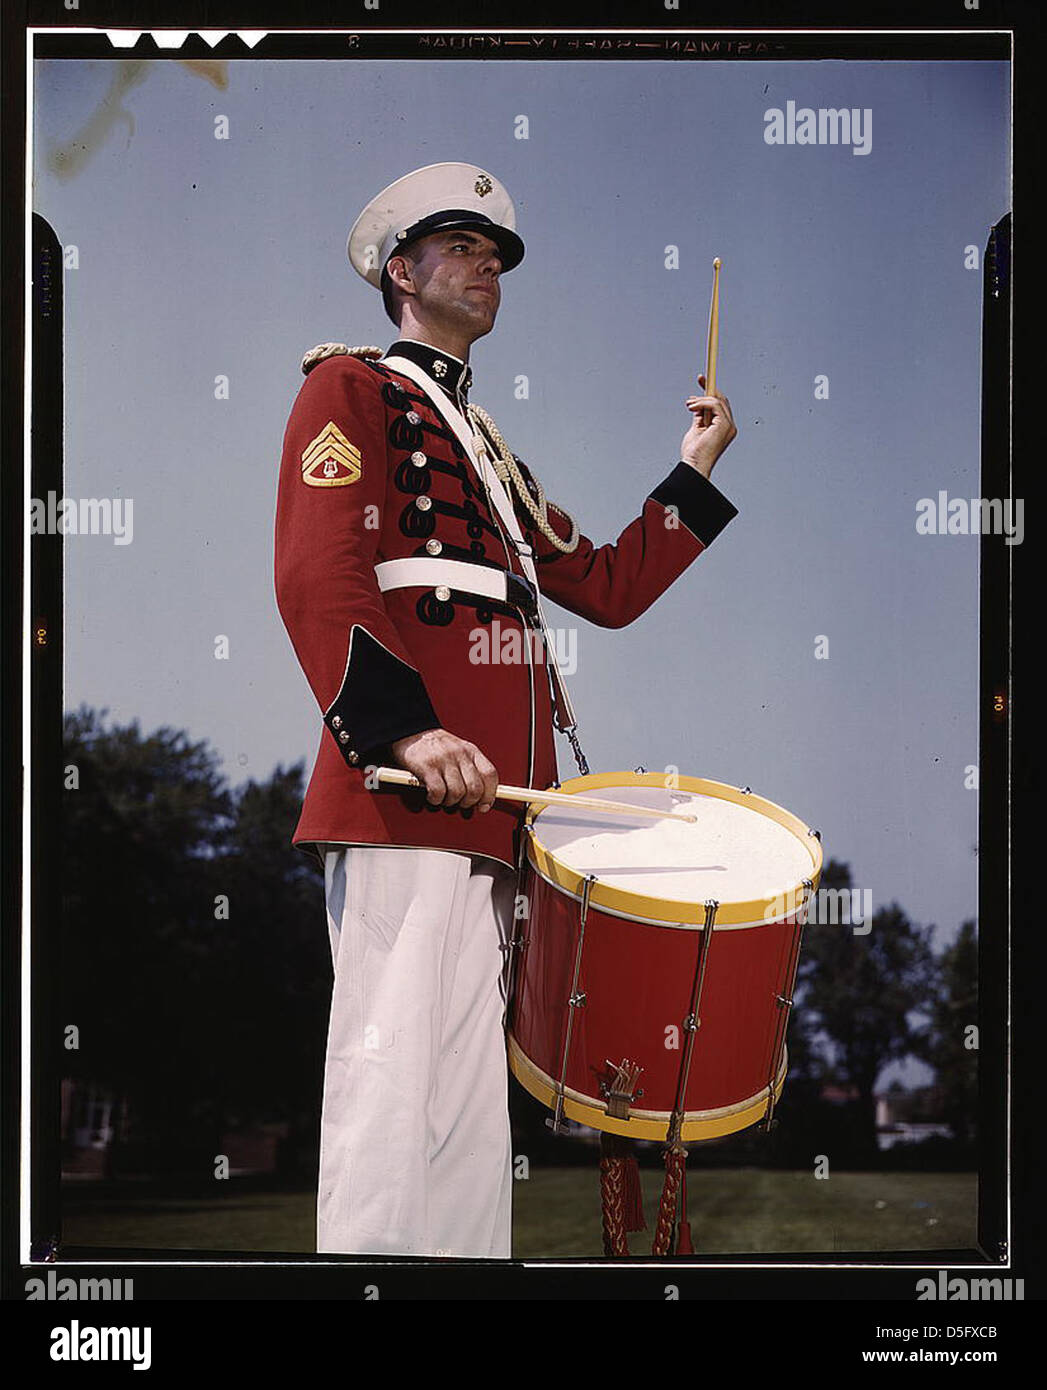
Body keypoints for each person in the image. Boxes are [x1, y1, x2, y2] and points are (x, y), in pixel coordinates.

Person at [274, 162, 738, 1258]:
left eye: (499, 254)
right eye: (463, 245)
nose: (489, 265)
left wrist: (696, 469)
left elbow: (611, 587)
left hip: (501, 809)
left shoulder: (493, 458)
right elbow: (317, 570)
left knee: (472, 1116)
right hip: (403, 788)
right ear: (401, 268)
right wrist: (403, 729)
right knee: (393, 1085)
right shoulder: (350, 389)